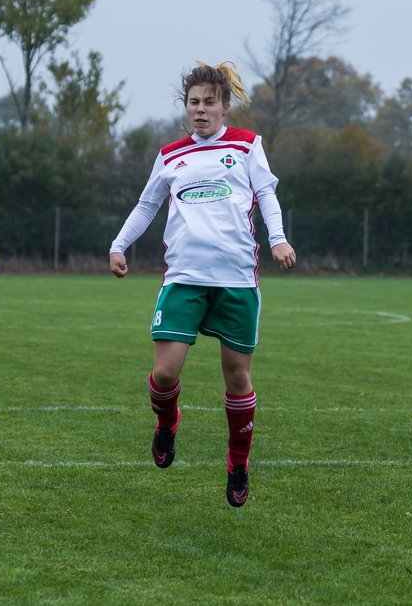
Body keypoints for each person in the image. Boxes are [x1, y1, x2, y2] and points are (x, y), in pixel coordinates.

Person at [108, 61, 296, 508]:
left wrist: (280, 238)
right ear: (186, 107)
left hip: (236, 281)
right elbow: (146, 204)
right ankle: (167, 423)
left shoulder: (248, 146)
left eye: (209, 102)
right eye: (194, 102)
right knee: (165, 372)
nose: (200, 110)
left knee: (237, 377)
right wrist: (119, 245)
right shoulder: (172, 154)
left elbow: (266, 194)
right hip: (184, 279)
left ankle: (237, 464)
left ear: (224, 106)